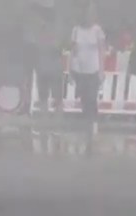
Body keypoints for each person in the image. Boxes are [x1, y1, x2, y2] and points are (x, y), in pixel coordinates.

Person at [69, 2, 105, 135]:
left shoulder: (97, 30)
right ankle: (86, 122)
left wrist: (102, 70)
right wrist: (70, 68)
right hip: (79, 69)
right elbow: (73, 51)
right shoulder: (76, 30)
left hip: (93, 69)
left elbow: (102, 50)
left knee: (92, 97)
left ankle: (93, 123)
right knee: (84, 98)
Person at [24, 0, 64, 115]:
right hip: (43, 64)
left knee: (56, 99)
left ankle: (55, 129)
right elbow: (31, 42)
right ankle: (45, 127)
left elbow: (58, 44)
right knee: (44, 98)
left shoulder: (57, 24)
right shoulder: (35, 26)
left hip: (53, 64)